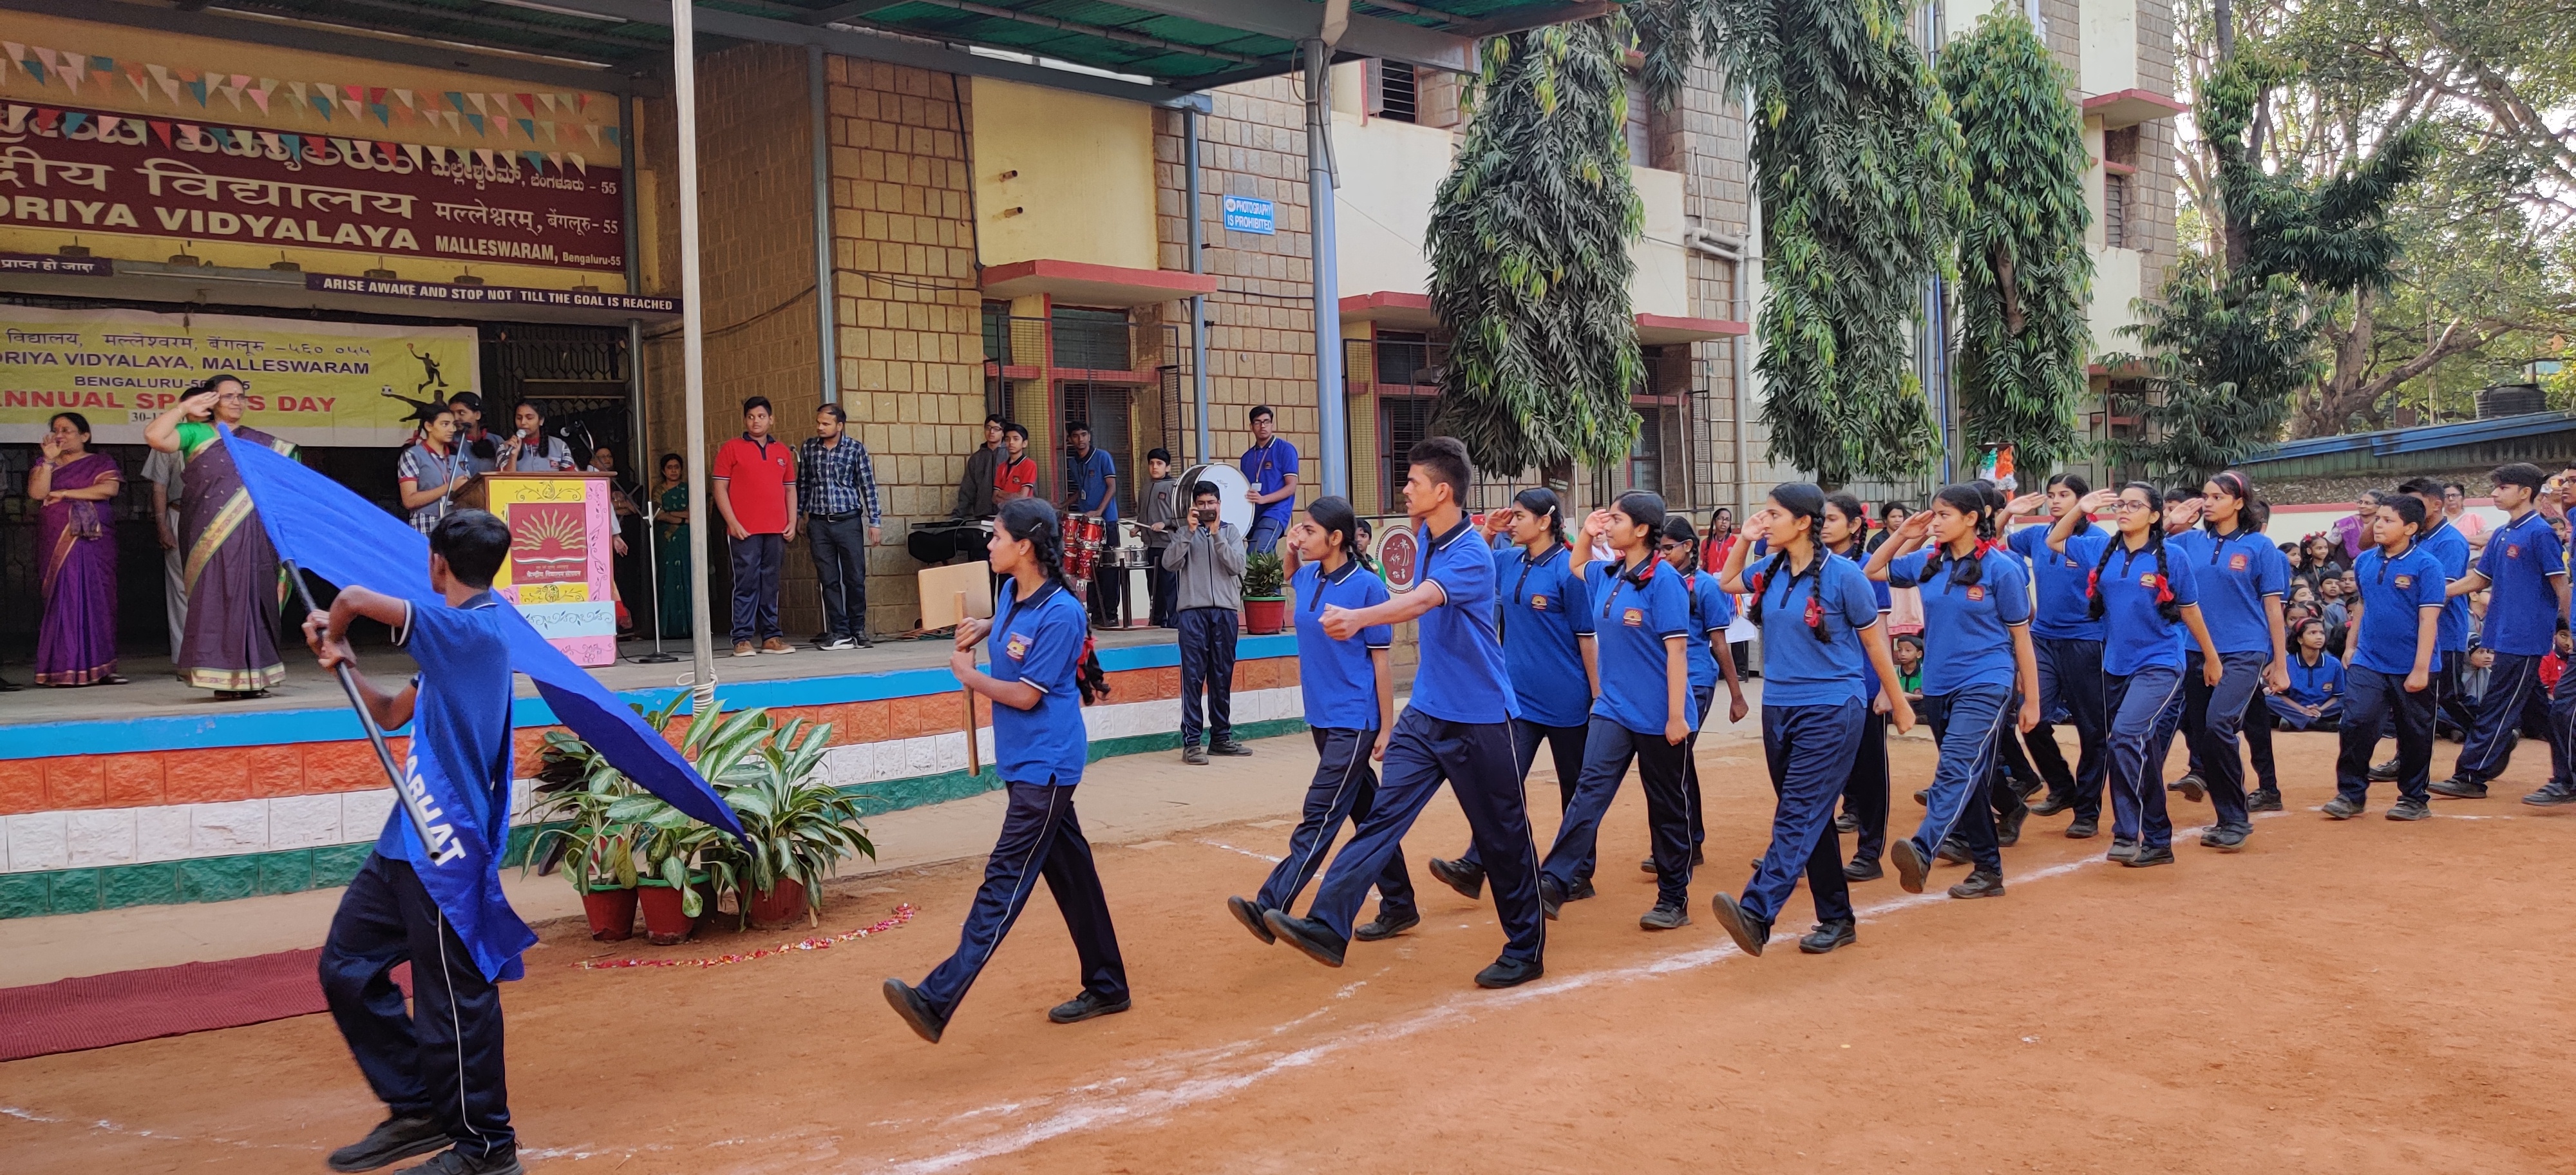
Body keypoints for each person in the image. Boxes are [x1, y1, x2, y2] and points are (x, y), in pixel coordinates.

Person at [1265, 437, 1547, 990]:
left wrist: (1358, 616)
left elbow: (1420, 602)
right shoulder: (1426, 538)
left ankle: (1526, 948)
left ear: (1442, 491)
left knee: (1502, 836)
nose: (1405, 489)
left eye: (1414, 482)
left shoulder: (1469, 556)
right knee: (1382, 818)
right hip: (1427, 714)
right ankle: (1328, 922)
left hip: (1482, 718)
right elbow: (1420, 586)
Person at [309, 510, 525, 1175]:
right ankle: (419, 1106)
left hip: (444, 852)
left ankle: (487, 1146)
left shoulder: (471, 630)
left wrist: (333, 624)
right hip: (405, 840)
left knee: (452, 1005)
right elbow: (392, 712)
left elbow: (349, 599)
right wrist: (345, 664)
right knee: (346, 964)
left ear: (436, 565)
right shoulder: (451, 641)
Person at [883, 499, 1130, 1043]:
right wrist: (984, 627)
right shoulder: (1011, 595)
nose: (989, 545)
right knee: (1075, 879)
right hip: (1025, 764)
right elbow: (1016, 631)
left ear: (1024, 546)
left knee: (1004, 882)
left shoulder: (1064, 612)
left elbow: (1022, 695)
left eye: (996, 537)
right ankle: (1109, 984)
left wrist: (967, 676)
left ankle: (936, 997)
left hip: (1047, 767)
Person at [1709, 484, 1914, 956]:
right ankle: (1837, 919)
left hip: (1832, 708)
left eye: (1773, 514)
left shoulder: (1846, 576)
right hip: (1779, 707)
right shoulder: (1771, 570)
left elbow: (1873, 644)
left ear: (1803, 522)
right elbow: (1726, 582)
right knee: (1812, 817)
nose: (1766, 520)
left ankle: (1758, 912)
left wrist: (1898, 701)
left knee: (1798, 810)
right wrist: (1744, 537)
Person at [1226, 497, 1417, 945]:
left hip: (1355, 718)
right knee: (1366, 812)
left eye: (1310, 530)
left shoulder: (1368, 587)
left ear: (1336, 538)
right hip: (1322, 716)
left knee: (1321, 812)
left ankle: (1271, 902)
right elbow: (1294, 576)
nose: (1301, 535)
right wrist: (1292, 549)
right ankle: (1401, 903)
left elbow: (1381, 663)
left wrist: (1387, 728)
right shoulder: (1311, 575)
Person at [1522, 492, 1699, 931]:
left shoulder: (1665, 582)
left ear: (1641, 530)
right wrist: (1585, 532)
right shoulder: (1609, 573)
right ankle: (1554, 882)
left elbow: (1678, 652)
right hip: (1614, 709)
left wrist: (1676, 716)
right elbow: (1576, 564)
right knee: (1588, 793)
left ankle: (1673, 898)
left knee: (1666, 806)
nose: (1609, 525)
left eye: (1616, 519)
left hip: (1660, 714)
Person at [1869, 485, 2039, 899]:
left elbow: (2022, 638)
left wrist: (2031, 699)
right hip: (1940, 685)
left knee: (1956, 768)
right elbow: (1873, 571)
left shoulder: (2002, 568)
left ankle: (1924, 847)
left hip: (1987, 680)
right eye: (1934, 514)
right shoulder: (1928, 562)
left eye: (1944, 515)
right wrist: (1906, 533)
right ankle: (1988, 871)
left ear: (1972, 518)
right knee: (1970, 776)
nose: (1936, 521)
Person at [1426, 488, 1596, 904]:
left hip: (1568, 700)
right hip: (1519, 700)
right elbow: (1471, 563)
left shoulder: (1568, 571)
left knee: (1574, 790)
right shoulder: (1507, 560)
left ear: (1545, 521)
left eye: (1520, 516)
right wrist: (1487, 531)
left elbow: (1588, 639)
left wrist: (1598, 697)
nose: (1513, 522)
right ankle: (1474, 864)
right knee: (1500, 784)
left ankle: (1578, 873)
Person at [2047, 483, 2224, 868]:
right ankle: (2159, 840)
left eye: (2135, 505)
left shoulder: (2171, 556)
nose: (2124, 510)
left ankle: (2127, 834)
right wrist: (2081, 508)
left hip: (2160, 663)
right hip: (2115, 665)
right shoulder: (2101, 549)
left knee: (2124, 739)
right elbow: (2055, 538)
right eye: (2121, 504)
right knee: (2140, 749)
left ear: (2155, 516)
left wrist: (2211, 658)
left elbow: (2191, 611)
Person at [146, 376, 301, 698]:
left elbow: (288, 474)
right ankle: (219, 679)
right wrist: (185, 408)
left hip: (253, 533)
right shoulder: (196, 433)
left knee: (254, 598)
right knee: (218, 599)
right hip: (211, 534)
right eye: (228, 396)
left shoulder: (257, 442)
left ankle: (254, 677)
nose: (236, 402)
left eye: (241, 396)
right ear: (211, 401)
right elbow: (155, 437)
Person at [2163, 470, 2291, 847]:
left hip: (2243, 650)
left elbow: (2273, 610)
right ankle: (2226, 817)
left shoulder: (2259, 548)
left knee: (2220, 726)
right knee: (2205, 736)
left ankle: (2236, 820)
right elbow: (2144, 546)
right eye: (2205, 496)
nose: (2208, 502)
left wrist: (2279, 663)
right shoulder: (2186, 542)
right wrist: (2174, 522)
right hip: (2195, 650)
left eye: (2217, 497)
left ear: (2239, 502)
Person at [2429, 464, 2569, 798]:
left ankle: (2471, 775)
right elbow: (2480, 579)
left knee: (2498, 705)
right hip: (2503, 632)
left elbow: (2561, 584)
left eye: (2503, 487)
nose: (2494, 493)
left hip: (2525, 636)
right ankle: (2568, 773)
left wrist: (2570, 627)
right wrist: (2437, 593)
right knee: (2543, 713)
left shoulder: (2540, 533)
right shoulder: (2504, 533)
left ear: (2525, 493)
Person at [2327, 493, 2446, 821]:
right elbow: (2362, 606)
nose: (2377, 525)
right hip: (2369, 660)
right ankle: (2350, 794)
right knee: (2356, 722)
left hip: (2414, 664)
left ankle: (2413, 799)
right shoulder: (2364, 561)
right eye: (2377, 518)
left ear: (2410, 528)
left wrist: (2421, 668)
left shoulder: (2427, 565)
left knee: (2414, 733)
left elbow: (2429, 619)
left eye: (2387, 520)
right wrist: (2351, 646)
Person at [2007, 474, 2112, 840]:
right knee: (2030, 717)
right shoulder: (2037, 535)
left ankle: (2087, 810)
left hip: (2087, 640)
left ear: (2083, 501)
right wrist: (2007, 512)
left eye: (2064, 495)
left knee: (2091, 728)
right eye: (2051, 495)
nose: (2054, 501)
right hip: (2043, 639)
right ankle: (2062, 786)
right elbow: (1994, 544)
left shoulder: (2098, 541)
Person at [1654, 517, 1750, 874]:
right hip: (1664, 680)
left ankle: (1685, 844)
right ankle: (1689, 841)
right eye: (1659, 549)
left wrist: (1737, 696)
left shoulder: (1706, 586)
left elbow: (1720, 643)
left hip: (1696, 679)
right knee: (1678, 761)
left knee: (1674, 757)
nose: (1662, 555)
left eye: (1668, 549)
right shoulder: (1654, 580)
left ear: (1688, 547)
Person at [1816, 493, 1895, 877]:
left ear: (1854, 525)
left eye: (1832, 519)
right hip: (1823, 691)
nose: (1824, 525)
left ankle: (1870, 852)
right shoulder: (1809, 568)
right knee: (1819, 775)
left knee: (1869, 770)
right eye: (1821, 519)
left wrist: (1885, 687)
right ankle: (1804, 850)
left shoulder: (1866, 568)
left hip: (1863, 686)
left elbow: (1881, 632)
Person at [30, 412, 125, 687]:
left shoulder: (101, 461)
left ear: (85, 436)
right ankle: (60, 668)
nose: (60, 435)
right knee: (63, 597)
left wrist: (65, 494)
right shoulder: (45, 464)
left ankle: (101, 668)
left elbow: (108, 489)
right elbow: (38, 494)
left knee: (98, 597)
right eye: (56, 430)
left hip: (95, 541)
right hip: (57, 539)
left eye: (67, 430)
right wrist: (48, 461)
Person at [1164, 480, 1248, 763]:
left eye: (1211, 503)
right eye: (1201, 504)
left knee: (1222, 676)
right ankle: (1191, 743)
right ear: (1193, 507)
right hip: (1192, 613)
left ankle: (1221, 738)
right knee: (1193, 677)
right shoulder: (1183, 533)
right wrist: (1188, 533)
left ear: (1219, 505)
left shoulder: (1231, 532)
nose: (1207, 509)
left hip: (1225, 612)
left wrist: (1216, 536)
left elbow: (1237, 566)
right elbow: (1169, 563)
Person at [712, 397, 798, 658]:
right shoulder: (731, 449)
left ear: (771, 419)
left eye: (761, 416)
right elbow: (719, 488)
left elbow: (790, 489)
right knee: (746, 582)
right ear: (745, 420)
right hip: (744, 530)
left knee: (770, 582)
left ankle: (771, 637)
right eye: (751, 417)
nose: (756, 421)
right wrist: (732, 522)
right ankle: (742, 638)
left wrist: (792, 521)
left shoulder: (782, 451)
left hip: (776, 528)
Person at [800, 403, 883, 650]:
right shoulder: (809, 448)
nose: (820, 427)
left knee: (855, 577)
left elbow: (868, 486)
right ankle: (840, 631)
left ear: (840, 425)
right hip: (818, 523)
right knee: (829, 579)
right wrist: (797, 516)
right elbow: (802, 483)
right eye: (818, 422)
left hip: (848, 521)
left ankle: (858, 629)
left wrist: (875, 521)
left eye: (826, 423)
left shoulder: (855, 449)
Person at [142, 404, 200, 655]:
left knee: (217, 586)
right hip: (178, 514)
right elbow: (159, 487)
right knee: (180, 587)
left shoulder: (223, 437)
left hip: (217, 519)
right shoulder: (170, 439)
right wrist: (162, 525)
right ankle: (185, 655)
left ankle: (218, 654)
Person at [1062, 421, 1121, 627]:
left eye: (1084, 435)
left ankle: (1111, 614)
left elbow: (1111, 486)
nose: (1080, 440)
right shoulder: (1073, 462)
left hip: (1106, 522)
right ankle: (1096, 614)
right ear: (1070, 439)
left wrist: (1100, 511)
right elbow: (1082, 489)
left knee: (1109, 568)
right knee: (1089, 568)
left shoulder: (1103, 457)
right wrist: (1064, 505)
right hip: (1086, 523)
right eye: (1076, 436)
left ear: (1090, 435)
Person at [397, 408, 471, 536]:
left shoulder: (459, 456)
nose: (451, 430)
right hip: (426, 524)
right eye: (445, 424)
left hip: (457, 525)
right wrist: (450, 487)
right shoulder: (413, 455)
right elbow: (409, 501)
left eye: (453, 425)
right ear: (429, 426)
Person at [2267, 617, 2345, 731]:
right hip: (2294, 707)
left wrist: (2321, 709)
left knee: (2349, 700)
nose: (2319, 637)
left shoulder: (2334, 664)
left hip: (2324, 709)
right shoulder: (2286, 663)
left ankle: (2295, 721)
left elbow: (2337, 696)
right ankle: (2315, 724)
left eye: (2322, 633)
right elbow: (2280, 695)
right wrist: (2301, 710)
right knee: (2268, 698)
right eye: (2312, 633)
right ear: (2300, 639)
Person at [1240, 405, 1299, 554]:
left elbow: (1291, 487)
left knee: (1256, 554)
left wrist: (1264, 499)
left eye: (1267, 422)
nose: (1263, 426)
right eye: (1258, 422)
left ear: (1272, 424)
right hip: (1253, 516)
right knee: (1266, 564)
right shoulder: (1246, 458)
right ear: (1251, 427)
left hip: (1275, 513)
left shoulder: (1285, 449)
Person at [1135, 448, 1181, 627]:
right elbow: (1142, 514)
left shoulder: (1174, 487)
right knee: (1153, 586)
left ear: (1168, 467)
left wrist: (1166, 523)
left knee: (1170, 585)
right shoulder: (1145, 488)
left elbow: (1183, 516)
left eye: (1159, 464)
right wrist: (1138, 527)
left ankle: (1174, 622)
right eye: (1152, 463)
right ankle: (1156, 620)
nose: (1155, 467)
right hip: (1150, 545)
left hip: (1168, 544)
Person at [652, 454, 692, 640]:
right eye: (670, 467)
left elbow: (695, 514)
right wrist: (683, 518)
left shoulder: (688, 489)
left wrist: (672, 514)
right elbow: (658, 515)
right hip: (666, 539)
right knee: (668, 578)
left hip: (686, 540)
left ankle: (690, 627)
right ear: (663, 471)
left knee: (687, 577)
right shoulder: (658, 491)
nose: (674, 470)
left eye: (677, 467)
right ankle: (669, 628)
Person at [952, 414, 1006, 519]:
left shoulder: (1011, 456)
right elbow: (967, 490)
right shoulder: (976, 458)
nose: (991, 432)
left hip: (1007, 516)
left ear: (1003, 433)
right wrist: (957, 516)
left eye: (996, 429)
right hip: (982, 515)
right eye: (988, 428)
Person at [497, 401, 576, 473]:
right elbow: (503, 481)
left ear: (541, 420)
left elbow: (573, 480)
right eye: (519, 418)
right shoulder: (505, 448)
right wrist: (513, 455)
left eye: (529, 418)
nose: (523, 422)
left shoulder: (560, 446)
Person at [448, 392, 497, 475]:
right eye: (452, 414)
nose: (456, 418)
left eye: (461, 413)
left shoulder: (496, 441)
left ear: (477, 415)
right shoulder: (450, 441)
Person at [994, 422, 1037, 503]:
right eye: (1007, 439)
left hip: (1023, 512)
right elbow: (994, 497)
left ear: (1024, 443)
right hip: (1004, 512)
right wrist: (1014, 495)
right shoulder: (1001, 466)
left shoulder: (1029, 465)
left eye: (1016, 439)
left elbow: (1023, 496)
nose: (1011, 443)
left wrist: (1002, 494)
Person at [2333, 492, 2382, 562]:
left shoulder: (2384, 524)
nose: (2362, 506)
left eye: (2367, 503)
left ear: (2379, 506)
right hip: (2349, 566)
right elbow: (2330, 547)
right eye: (2360, 502)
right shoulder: (2345, 523)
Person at [2447, 482, 2490, 549]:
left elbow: (2489, 538)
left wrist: (2460, 538)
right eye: (2447, 496)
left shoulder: (2474, 518)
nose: (2451, 499)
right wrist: (2475, 543)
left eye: (2454, 495)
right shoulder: (2438, 519)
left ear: (2463, 498)